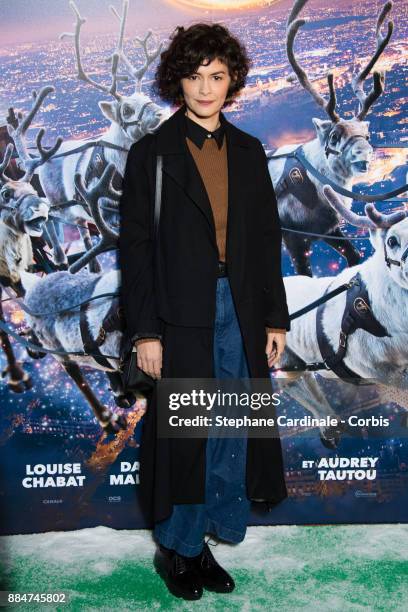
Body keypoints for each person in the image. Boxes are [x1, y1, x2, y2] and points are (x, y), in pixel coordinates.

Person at [118, 22, 290, 600]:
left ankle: (203, 542)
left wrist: (274, 319)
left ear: (232, 79)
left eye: (216, 76)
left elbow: (267, 241)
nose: (206, 88)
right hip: (180, 314)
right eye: (194, 77)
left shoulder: (247, 150)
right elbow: (136, 253)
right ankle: (181, 550)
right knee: (189, 436)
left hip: (240, 311)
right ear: (178, 83)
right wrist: (146, 331)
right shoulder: (152, 156)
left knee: (230, 433)